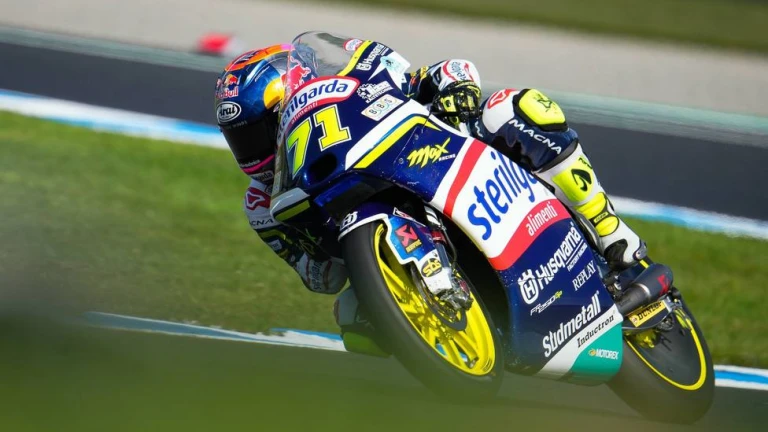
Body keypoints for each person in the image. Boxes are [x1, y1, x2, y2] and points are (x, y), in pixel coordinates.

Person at [215, 41, 647, 354]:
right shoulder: (264, 208)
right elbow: (321, 280)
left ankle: (607, 226)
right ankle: (463, 339)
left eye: (259, 132)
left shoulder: (352, 80)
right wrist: (314, 243)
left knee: (512, 108)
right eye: (241, 139)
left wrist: (454, 89)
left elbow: (449, 70)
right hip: (382, 240)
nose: (253, 151)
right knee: (354, 322)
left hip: (441, 161)